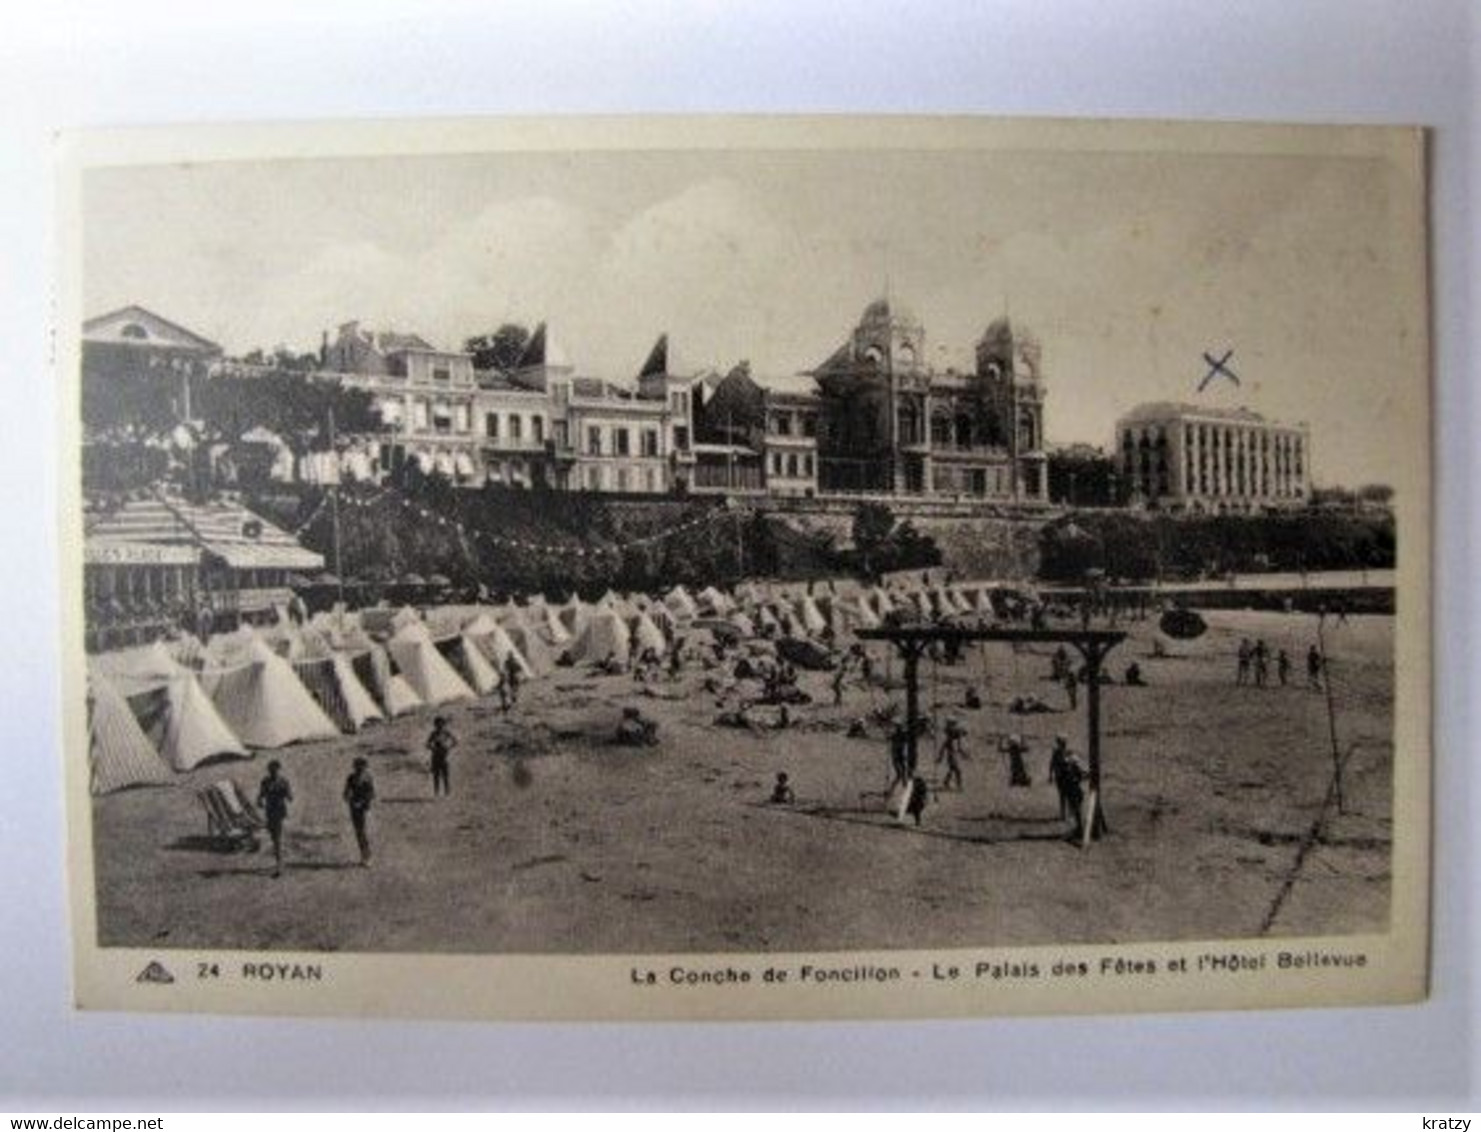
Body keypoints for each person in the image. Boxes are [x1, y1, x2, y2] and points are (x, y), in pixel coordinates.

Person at [256, 760, 292, 878]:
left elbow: (290, 797)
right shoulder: (265, 781)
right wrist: (260, 802)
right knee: (274, 837)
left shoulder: (283, 782)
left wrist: (284, 793)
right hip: (270, 811)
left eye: (275, 770)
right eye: (271, 770)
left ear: (278, 770)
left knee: (277, 838)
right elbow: (260, 796)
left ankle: (279, 864)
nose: (273, 772)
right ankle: (279, 861)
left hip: (279, 812)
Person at [343, 757, 376, 867]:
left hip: (364, 808)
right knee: (359, 832)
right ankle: (364, 855)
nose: (359, 769)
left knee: (363, 832)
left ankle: (368, 856)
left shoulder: (368, 779)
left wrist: (362, 802)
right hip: (353, 807)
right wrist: (347, 796)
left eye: (361, 767)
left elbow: (371, 794)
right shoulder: (351, 778)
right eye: (357, 767)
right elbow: (346, 792)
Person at [427, 716, 457, 796]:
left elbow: (455, 741)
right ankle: (436, 792)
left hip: (444, 756)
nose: (439, 726)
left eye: (441, 724)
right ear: (435, 725)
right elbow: (427, 744)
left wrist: (448, 747)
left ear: (443, 724)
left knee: (445, 775)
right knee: (436, 776)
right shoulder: (433, 734)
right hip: (435, 757)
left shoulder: (446, 733)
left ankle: (447, 792)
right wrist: (433, 748)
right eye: (437, 724)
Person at [1047, 736, 1073, 820]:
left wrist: (1050, 775)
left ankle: (1067, 813)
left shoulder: (1065, 753)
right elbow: (1052, 765)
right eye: (1062, 743)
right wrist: (1050, 775)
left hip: (1065, 776)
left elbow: (1052, 765)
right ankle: (1064, 814)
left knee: (1066, 795)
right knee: (1064, 796)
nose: (1063, 745)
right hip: (1061, 777)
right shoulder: (1057, 753)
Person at [937, 719, 966, 792]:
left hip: (954, 757)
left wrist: (964, 754)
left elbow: (959, 749)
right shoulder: (949, 740)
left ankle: (946, 782)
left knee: (952, 770)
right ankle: (959, 786)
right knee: (958, 771)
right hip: (951, 757)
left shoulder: (955, 740)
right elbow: (943, 749)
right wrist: (940, 757)